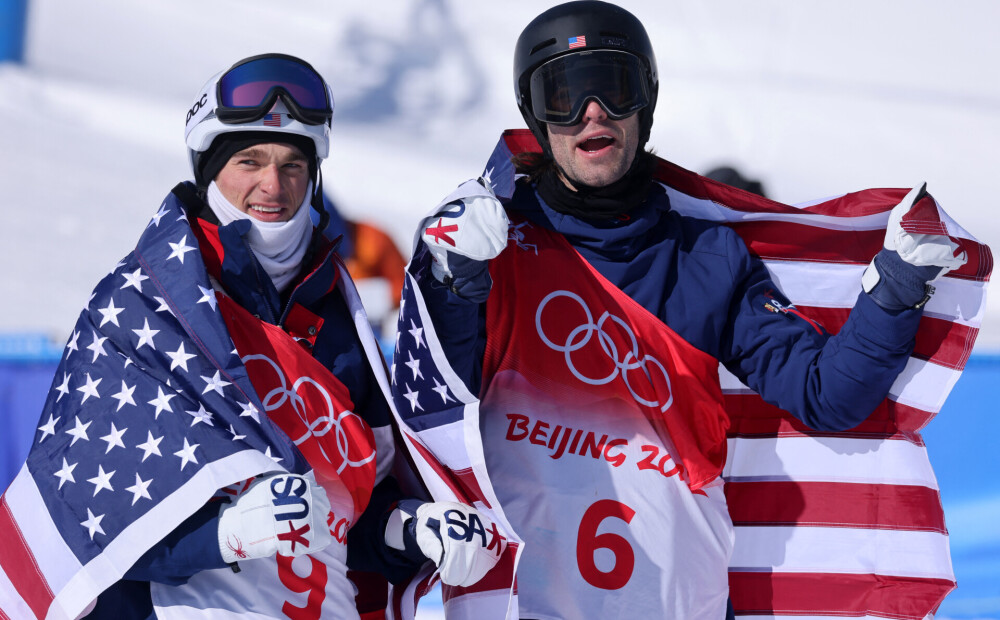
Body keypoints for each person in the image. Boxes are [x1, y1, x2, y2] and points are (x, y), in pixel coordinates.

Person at [393, 3, 971, 619]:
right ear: (535, 115)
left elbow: (827, 395)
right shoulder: (491, 243)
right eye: (564, 93)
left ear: (645, 100)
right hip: (526, 603)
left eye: (614, 88)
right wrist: (449, 281)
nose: (593, 112)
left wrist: (896, 287)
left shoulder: (707, 258)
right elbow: (436, 407)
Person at [0, 53, 501, 620]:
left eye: (293, 164)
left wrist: (409, 528)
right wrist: (225, 535)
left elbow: (346, 524)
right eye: (249, 160)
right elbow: (86, 522)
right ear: (210, 170)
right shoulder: (143, 306)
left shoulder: (338, 314)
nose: (274, 184)